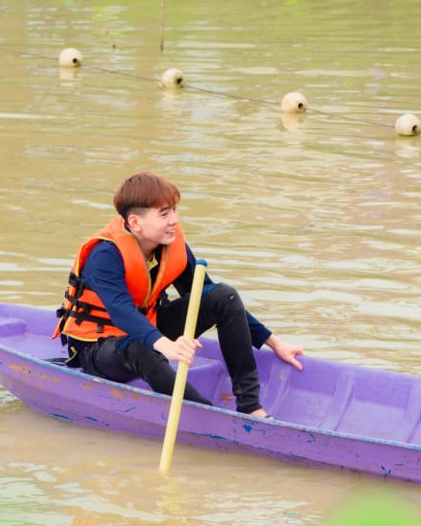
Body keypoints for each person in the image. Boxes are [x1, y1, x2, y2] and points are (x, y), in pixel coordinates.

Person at [53, 171, 304, 417]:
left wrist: (275, 342)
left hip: (147, 330)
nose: (174, 220)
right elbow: (122, 312)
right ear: (135, 223)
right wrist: (167, 346)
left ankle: (250, 407)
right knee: (143, 349)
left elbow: (210, 295)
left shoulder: (170, 243)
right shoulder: (105, 255)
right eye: (164, 214)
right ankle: (210, 417)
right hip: (97, 347)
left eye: (174, 210)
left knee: (223, 296)